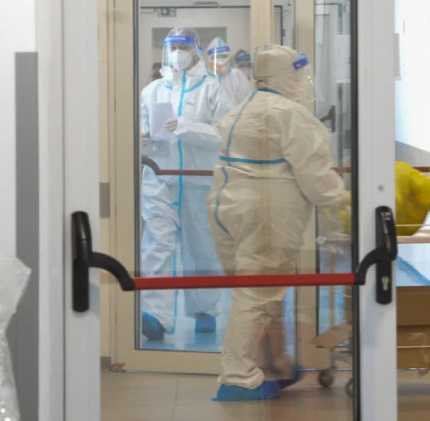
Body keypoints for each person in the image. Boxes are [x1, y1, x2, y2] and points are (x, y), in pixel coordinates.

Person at [206, 44, 350, 401]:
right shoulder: (290, 115)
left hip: (227, 208)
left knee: (257, 293)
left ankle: (272, 364)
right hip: (265, 214)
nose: (305, 81)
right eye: (299, 74)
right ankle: (238, 377)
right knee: (256, 294)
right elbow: (317, 179)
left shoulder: (244, 108)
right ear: (287, 76)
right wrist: (345, 204)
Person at [139, 27, 228, 341]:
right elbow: (140, 129)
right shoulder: (152, 91)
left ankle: (204, 309)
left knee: (201, 246)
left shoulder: (212, 89)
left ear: (196, 51)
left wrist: (186, 127)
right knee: (157, 246)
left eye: (184, 47)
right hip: (159, 179)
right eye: (173, 47)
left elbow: (225, 134)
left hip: (198, 180)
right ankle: (156, 315)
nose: (178, 53)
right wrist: (143, 139)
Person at [205, 37, 252, 109]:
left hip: (234, 115)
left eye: (223, 56)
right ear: (209, 59)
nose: (220, 60)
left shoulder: (237, 76)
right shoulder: (202, 78)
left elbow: (246, 103)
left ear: (229, 57)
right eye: (216, 57)